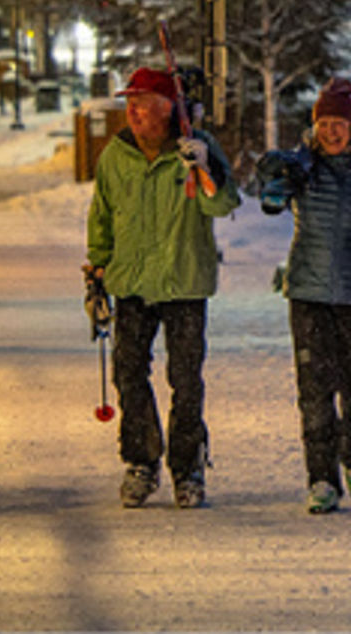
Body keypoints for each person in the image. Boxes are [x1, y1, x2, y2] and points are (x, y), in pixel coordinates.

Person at [85, 66, 239, 508]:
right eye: (129, 104)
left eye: (142, 103)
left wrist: (205, 168)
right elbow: (102, 214)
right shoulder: (117, 155)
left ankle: (188, 468)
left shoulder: (197, 147)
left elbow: (224, 203)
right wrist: (97, 267)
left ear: (167, 108)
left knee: (186, 379)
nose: (132, 112)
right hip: (131, 281)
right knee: (129, 372)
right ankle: (141, 460)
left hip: (183, 279)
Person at [256, 77, 351, 515]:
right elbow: (270, 194)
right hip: (307, 290)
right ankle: (321, 477)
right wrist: (274, 173)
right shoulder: (302, 168)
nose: (332, 132)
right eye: (324, 123)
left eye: (340, 123)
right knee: (315, 388)